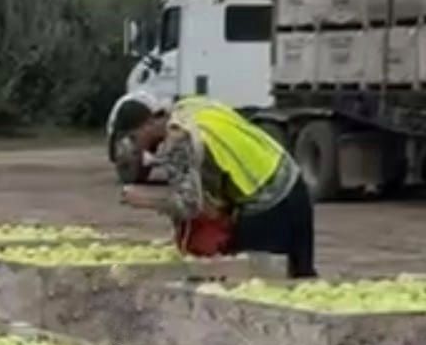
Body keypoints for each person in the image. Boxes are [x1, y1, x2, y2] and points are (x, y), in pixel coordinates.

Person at [115, 95, 317, 278]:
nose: (137, 147)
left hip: (268, 203)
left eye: (134, 137)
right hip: (292, 181)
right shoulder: (190, 106)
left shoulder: (178, 139)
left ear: (149, 124)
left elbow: (190, 205)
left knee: (258, 279)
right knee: (302, 277)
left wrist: (144, 199)